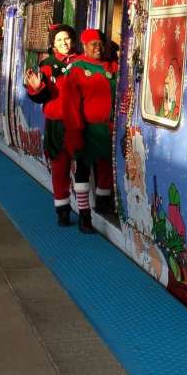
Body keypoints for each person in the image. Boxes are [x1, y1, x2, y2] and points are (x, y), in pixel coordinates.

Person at [61, 28, 117, 234]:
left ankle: (103, 203)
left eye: (101, 44)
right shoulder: (76, 68)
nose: (98, 48)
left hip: (107, 128)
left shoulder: (111, 67)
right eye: (94, 44)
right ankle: (84, 214)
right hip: (86, 129)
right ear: (84, 46)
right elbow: (70, 104)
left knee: (106, 168)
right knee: (83, 171)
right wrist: (75, 132)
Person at [24, 24, 79, 227]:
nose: (64, 43)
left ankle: (85, 212)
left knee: (82, 167)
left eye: (67, 39)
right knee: (60, 168)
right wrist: (37, 88)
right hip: (57, 124)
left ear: (73, 40)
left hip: (81, 123)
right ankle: (63, 209)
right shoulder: (46, 65)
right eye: (59, 40)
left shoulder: (83, 63)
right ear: (53, 44)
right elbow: (40, 98)